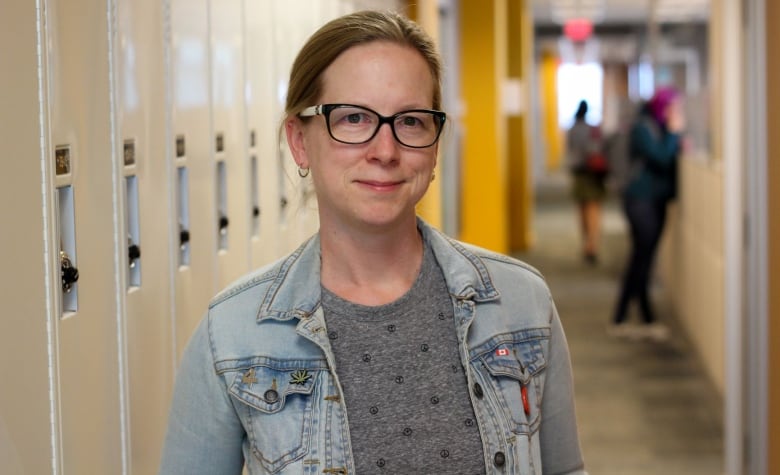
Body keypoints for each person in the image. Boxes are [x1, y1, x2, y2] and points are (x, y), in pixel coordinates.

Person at [159, 10, 586, 475]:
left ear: (435, 143)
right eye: (354, 118)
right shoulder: (234, 335)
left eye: (411, 122)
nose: (384, 151)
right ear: (299, 141)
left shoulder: (521, 302)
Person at [609, 87, 684, 340]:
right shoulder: (643, 128)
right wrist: (674, 133)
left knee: (645, 259)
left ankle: (644, 316)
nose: (676, 112)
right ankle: (621, 316)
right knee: (641, 258)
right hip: (641, 201)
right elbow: (661, 158)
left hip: (655, 201)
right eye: (672, 107)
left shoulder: (657, 128)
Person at [565, 100, 607, 265]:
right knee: (594, 209)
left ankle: (585, 243)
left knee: (582, 209)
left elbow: (570, 150)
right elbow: (597, 149)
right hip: (592, 174)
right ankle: (592, 245)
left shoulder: (571, 129)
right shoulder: (592, 129)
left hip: (578, 173)